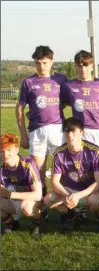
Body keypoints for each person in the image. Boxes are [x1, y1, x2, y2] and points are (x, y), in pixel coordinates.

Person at [16, 45, 67, 188]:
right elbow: (19, 109)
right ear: (34, 63)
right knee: (38, 171)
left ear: (52, 61)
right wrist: (23, 136)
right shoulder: (28, 82)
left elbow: (69, 100)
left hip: (58, 129)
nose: (41, 66)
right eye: (38, 63)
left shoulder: (61, 80)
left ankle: (65, 205)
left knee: (63, 169)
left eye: (45, 62)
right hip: (36, 131)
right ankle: (41, 205)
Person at [44, 117, 99, 230]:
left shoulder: (95, 151)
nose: (70, 135)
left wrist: (78, 195)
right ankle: (72, 214)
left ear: (81, 132)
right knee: (48, 200)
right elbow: (54, 182)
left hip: (90, 191)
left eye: (73, 131)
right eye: (67, 131)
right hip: (69, 191)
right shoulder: (59, 153)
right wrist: (68, 196)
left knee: (95, 201)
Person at [61, 50, 99, 156]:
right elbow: (61, 104)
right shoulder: (68, 85)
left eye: (86, 65)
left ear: (92, 65)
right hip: (77, 131)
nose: (83, 69)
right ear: (75, 66)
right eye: (79, 66)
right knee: (78, 167)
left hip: (97, 130)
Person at [0, 132, 44, 235]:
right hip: (13, 201)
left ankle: (39, 222)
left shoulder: (28, 164)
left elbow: (38, 195)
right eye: (2, 151)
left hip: (32, 202)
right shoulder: (2, 169)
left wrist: (10, 194)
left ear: (17, 149)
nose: (5, 154)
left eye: (9, 150)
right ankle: (11, 223)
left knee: (26, 206)